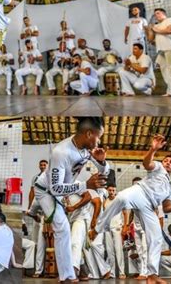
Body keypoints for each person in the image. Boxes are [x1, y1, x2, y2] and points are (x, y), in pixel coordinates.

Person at [91, 134, 171, 284]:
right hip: (140, 192)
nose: (168, 163)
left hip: (149, 206)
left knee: (156, 236)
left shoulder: (170, 189)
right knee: (121, 198)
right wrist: (153, 149)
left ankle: (151, 275)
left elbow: (165, 208)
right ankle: (98, 228)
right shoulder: (158, 167)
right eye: (166, 160)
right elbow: (147, 164)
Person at [34, 117, 110, 282]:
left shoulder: (85, 147)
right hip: (45, 191)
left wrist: (101, 161)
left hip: (61, 191)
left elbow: (105, 173)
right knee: (62, 228)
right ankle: (67, 276)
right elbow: (55, 188)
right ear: (89, 134)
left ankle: (76, 270)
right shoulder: (61, 153)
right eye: (99, 136)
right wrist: (84, 185)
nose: (99, 141)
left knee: (69, 233)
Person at [150, 7, 171, 96]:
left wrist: (155, 29)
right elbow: (151, 40)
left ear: (163, 13)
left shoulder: (170, 20)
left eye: (158, 13)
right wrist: (148, 29)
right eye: (155, 14)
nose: (156, 15)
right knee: (164, 70)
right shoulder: (157, 25)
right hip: (161, 50)